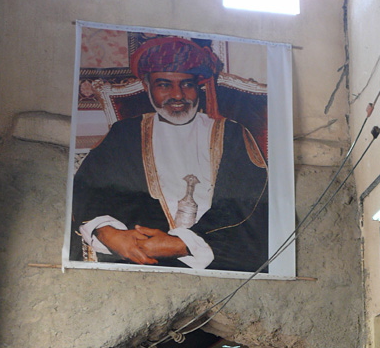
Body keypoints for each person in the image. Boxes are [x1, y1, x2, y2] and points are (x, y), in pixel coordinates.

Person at [71, 35, 268, 273]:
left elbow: (252, 208)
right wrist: (108, 232)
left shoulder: (232, 134)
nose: (177, 95)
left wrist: (182, 244)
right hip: (138, 260)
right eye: (164, 84)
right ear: (147, 87)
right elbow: (88, 191)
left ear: (199, 87)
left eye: (187, 84)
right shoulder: (126, 134)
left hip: (216, 257)